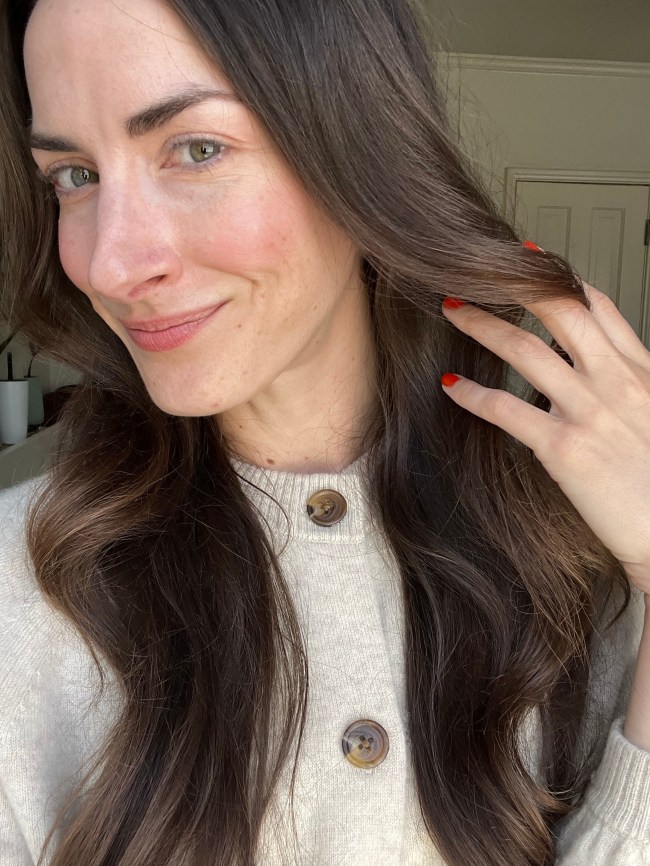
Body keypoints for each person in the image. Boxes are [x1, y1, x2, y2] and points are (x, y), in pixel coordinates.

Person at [0, 0, 648, 864]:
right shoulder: (19, 592)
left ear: (362, 158)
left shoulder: (581, 547)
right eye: (74, 175)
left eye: (197, 149)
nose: (110, 265)